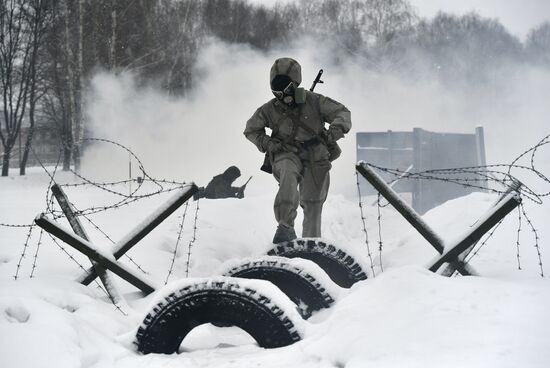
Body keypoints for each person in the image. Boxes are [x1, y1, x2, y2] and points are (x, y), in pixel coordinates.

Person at [244, 57, 351, 243]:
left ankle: (311, 242)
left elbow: (342, 113)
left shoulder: (314, 101)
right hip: (286, 153)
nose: (281, 94)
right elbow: (251, 129)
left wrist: (334, 131)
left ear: (295, 83)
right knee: (288, 172)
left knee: (313, 202)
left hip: (315, 156)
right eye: (276, 89)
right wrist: (269, 144)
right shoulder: (269, 109)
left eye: (285, 87)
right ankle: (285, 227)